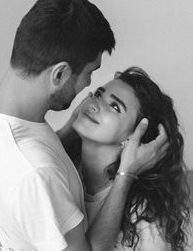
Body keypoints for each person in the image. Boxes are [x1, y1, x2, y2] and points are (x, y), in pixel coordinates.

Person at [0, 0, 168, 251]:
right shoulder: (38, 174)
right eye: (90, 74)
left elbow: (31, 161)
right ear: (60, 74)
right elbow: (37, 173)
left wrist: (12, 227)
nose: (88, 87)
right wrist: (126, 173)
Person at [65, 66, 191, 251]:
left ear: (134, 138)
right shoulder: (62, 170)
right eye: (98, 95)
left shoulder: (144, 219)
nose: (93, 104)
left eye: (115, 106)